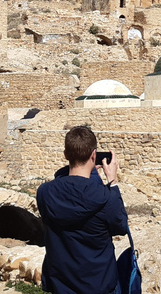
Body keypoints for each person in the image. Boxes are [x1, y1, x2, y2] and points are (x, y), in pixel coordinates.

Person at [36, 125, 128, 294]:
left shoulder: (44, 193)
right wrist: (112, 181)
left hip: (61, 285)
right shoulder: (106, 197)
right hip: (99, 284)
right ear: (94, 155)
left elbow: (69, 185)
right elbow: (121, 227)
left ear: (65, 156)